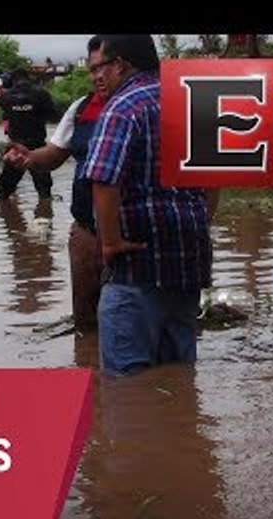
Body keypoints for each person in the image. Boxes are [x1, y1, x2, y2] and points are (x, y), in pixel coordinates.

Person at [79, 34, 218, 376]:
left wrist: (109, 242)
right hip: (188, 264)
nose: (96, 77)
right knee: (179, 375)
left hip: (136, 266)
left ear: (121, 65)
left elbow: (104, 179)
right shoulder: (192, 101)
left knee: (127, 389)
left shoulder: (123, 107)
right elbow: (215, 177)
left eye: (100, 68)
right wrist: (200, 224)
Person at [2, 45, 107, 330]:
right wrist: (30, 156)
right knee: (87, 326)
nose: (97, 76)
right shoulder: (82, 108)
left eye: (103, 66)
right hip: (88, 231)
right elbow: (55, 154)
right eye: (92, 69)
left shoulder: (166, 104)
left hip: (144, 236)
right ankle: (89, 368)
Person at [0, 69, 56, 202]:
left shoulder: (6, 97)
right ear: (28, 78)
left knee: (4, 190)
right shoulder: (41, 94)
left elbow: (3, 107)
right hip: (37, 146)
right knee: (44, 191)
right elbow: (53, 115)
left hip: (16, 148)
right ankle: (46, 215)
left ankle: (5, 216)